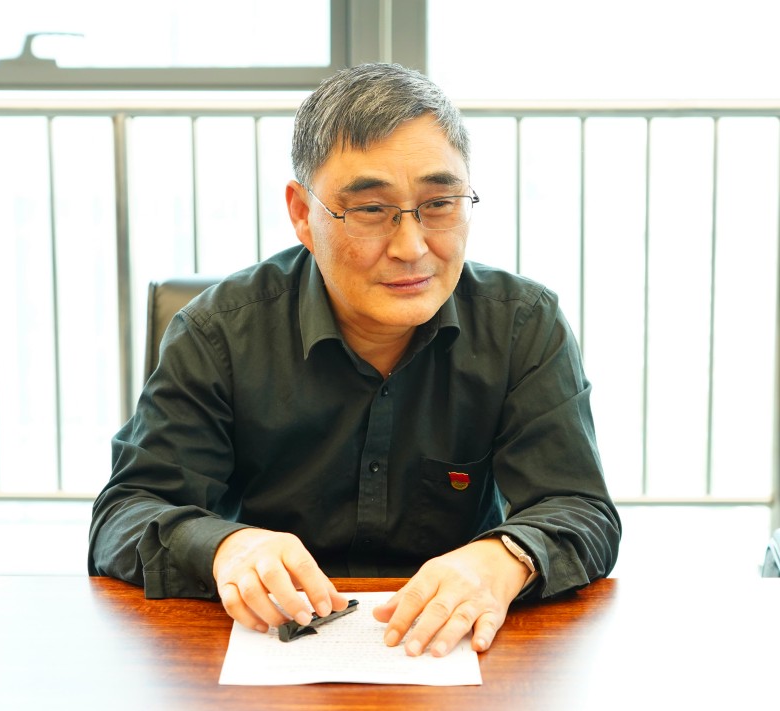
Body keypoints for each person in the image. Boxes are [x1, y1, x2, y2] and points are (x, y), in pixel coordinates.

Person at [88, 62, 621, 658]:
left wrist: (503, 559)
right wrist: (226, 549)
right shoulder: (219, 334)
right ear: (302, 214)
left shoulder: (522, 324)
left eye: (439, 203)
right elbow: (124, 515)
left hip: (452, 649)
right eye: (370, 210)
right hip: (267, 645)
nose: (412, 247)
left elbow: (581, 509)